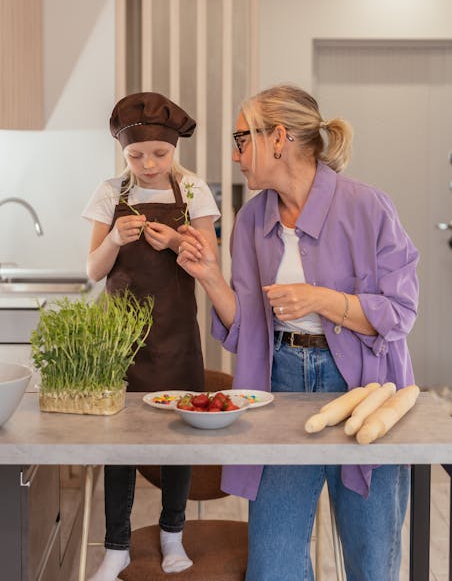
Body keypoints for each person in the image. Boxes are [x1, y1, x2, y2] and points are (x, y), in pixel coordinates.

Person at [177, 84, 419, 581]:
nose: (235, 154)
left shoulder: (369, 208)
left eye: (242, 138)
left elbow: (401, 310)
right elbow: (247, 329)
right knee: (274, 564)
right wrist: (209, 276)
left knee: (372, 562)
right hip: (280, 386)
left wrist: (323, 300)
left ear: (279, 138)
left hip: (362, 393)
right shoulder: (250, 220)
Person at [82, 91, 220, 581]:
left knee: (177, 437)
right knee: (119, 441)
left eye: (159, 155)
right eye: (136, 156)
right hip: (120, 341)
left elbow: (212, 263)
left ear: (174, 149)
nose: (148, 165)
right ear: (123, 153)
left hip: (177, 335)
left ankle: (172, 535)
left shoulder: (195, 191)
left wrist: (179, 240)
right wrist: (116, 239)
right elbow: (93, 269)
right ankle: (116, 545)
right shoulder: (108, 192)